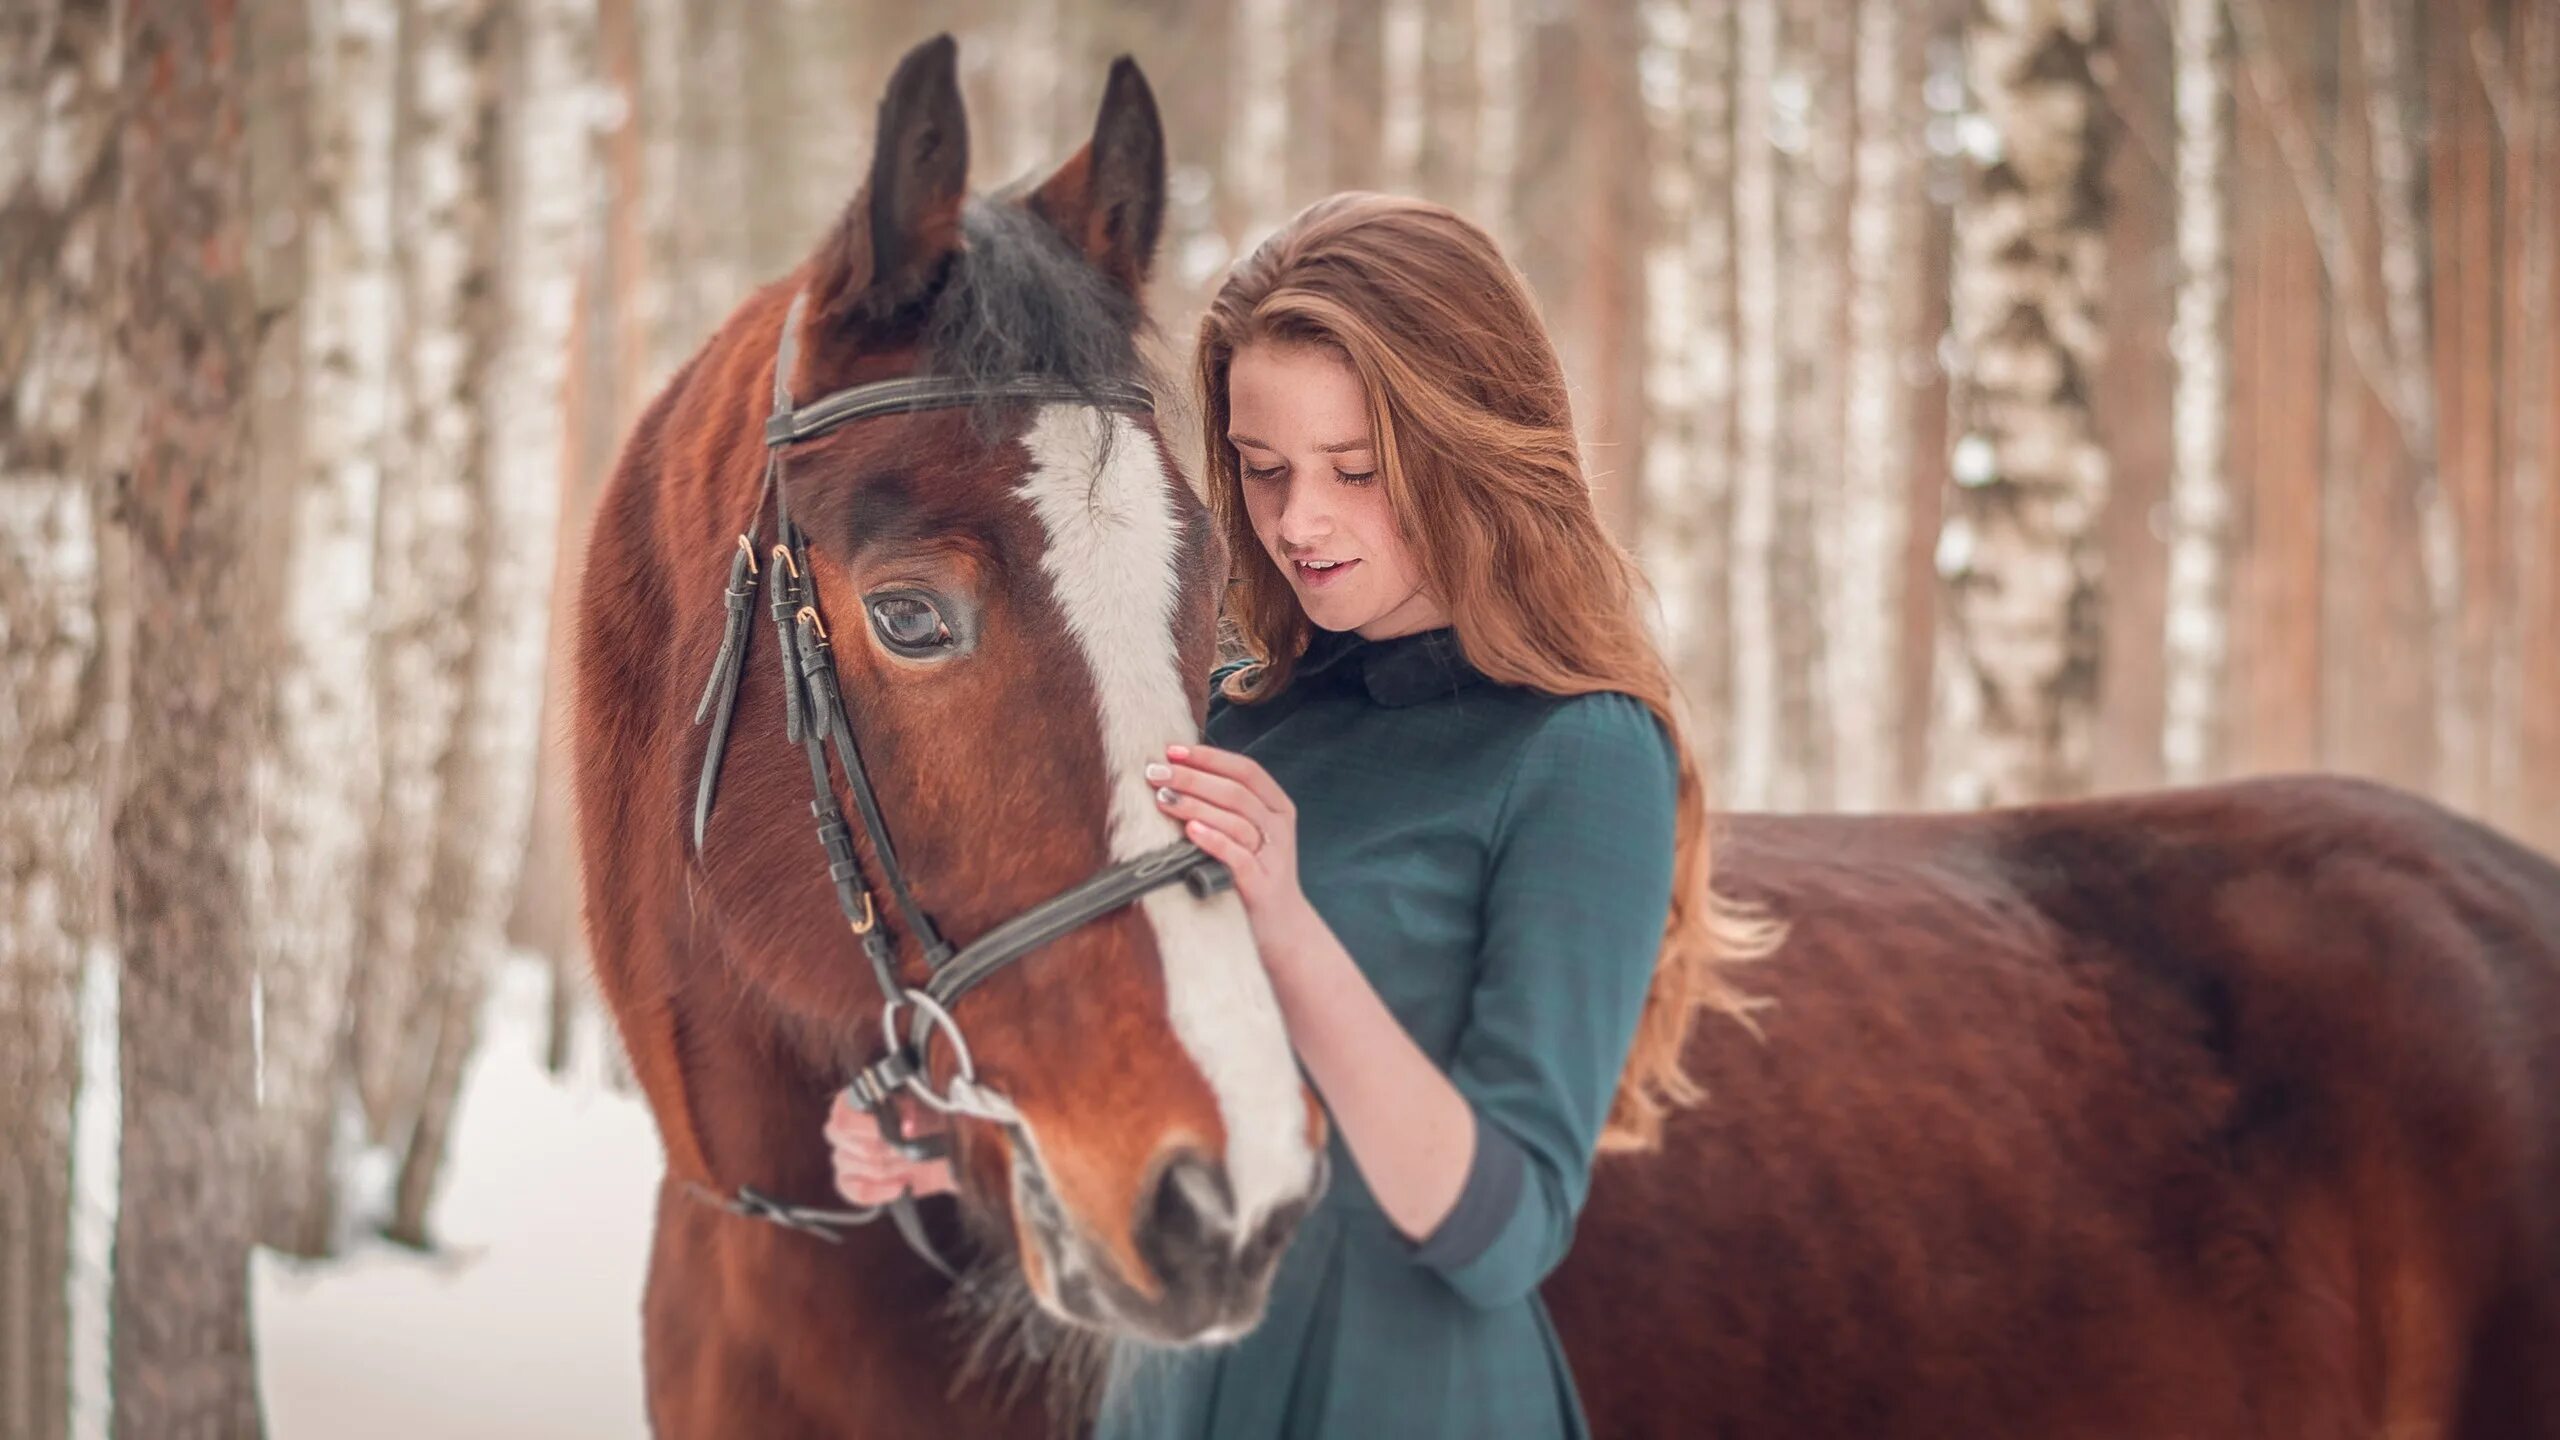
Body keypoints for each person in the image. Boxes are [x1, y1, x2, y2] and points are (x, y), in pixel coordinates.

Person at [825, 191, 1756, 1438]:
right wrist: (954, 1137)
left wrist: (1288, 924)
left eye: (1355, 471)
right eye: (1262, 472)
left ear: (1471, 442)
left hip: (1408, 1398)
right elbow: (1182, 1081)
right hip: (1174, 1384)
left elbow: (1501, 1234)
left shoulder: (1580, 754)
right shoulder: (1226, 714)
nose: (1298, 521)